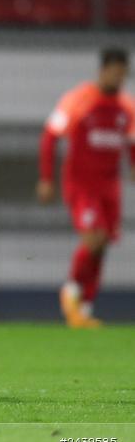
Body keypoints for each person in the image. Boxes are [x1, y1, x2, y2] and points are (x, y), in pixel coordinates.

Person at [38, 48, 135, 328]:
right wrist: (46, 178)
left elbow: (131, 142)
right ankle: (71, 291)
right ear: (102, 70)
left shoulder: (126, 107)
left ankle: (85, 306)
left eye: (122, 73)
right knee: (93, 238)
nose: (118, 77)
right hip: (81, 183)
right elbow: (50, 136)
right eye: (114, 71)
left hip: (109, 185)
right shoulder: (79, 99)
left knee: (103, 245)